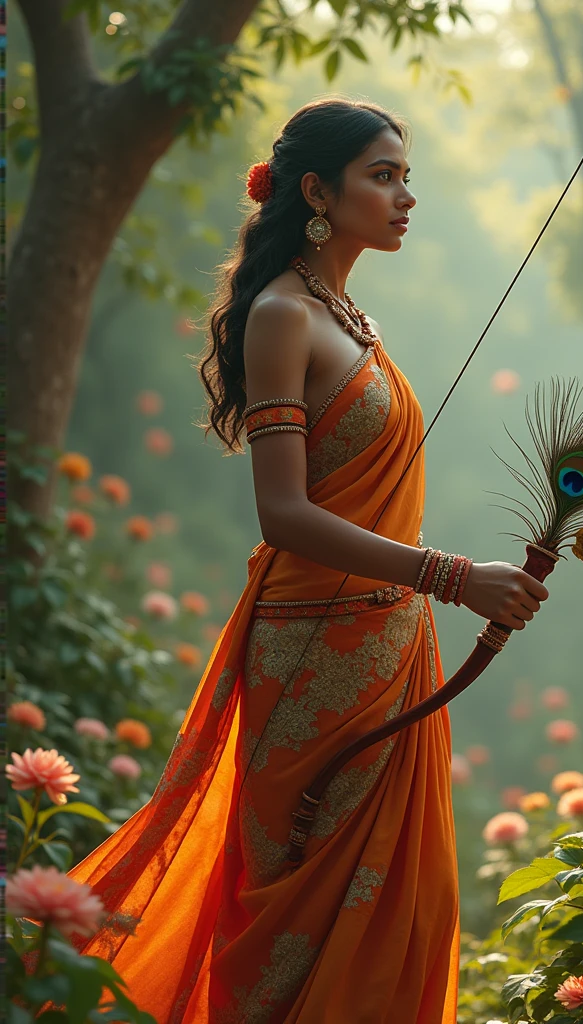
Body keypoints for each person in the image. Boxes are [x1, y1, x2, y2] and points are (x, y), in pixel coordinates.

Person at [58, 98, 549, 1022]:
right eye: (384, 175)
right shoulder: (284, 314)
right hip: (312, 664)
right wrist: (454, 577)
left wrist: (434, 589)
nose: (406, 196)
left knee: (412, 901)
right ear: (317, 191)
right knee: (300, 928)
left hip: (391, 653)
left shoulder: (347, 315)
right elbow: (283, 513)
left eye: (407, 176)